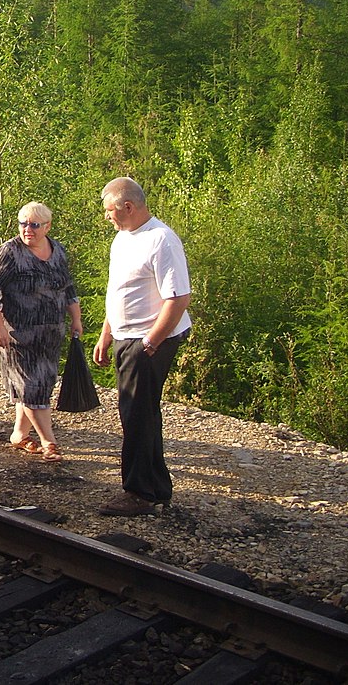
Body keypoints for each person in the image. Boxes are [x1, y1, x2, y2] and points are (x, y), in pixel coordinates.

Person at [93, 177, 192, 517]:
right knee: (141, 412)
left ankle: (137, 493)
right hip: (126, 336)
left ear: (128, 207)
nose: (107, 217)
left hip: (148, 339)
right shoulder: (122, 239)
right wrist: (107, 332)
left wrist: (150, 342)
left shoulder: (161, 240)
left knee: (135, 413)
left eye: (109, 211)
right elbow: (118, 290)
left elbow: (178, 297)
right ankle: (156, 488)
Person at [0, 202, 83, 463]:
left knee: (42, 384)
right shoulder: (9, 253)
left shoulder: (57, 251)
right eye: (23, 223)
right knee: (31, 386)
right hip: (17, 334)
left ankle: (19, 434)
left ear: (47, 226)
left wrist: (76, 319)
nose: (28, 229)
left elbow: (67, 288)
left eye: (34, 225)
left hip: (50, 332)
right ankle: (50, 442)